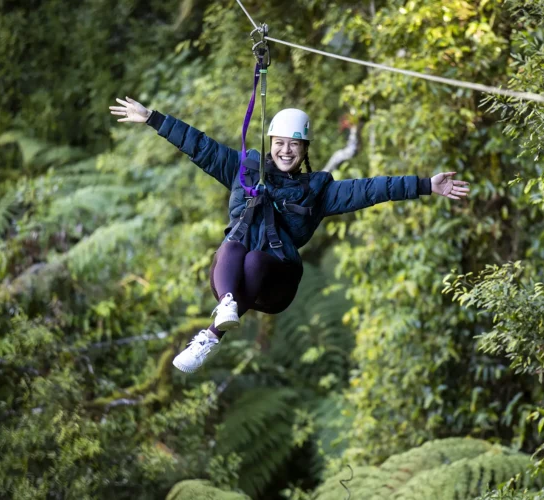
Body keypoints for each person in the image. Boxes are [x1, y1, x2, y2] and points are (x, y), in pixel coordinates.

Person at [109, 97, 470, 373]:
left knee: (254, 257)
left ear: (304, 150)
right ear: (271, 144)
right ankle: (225, 312)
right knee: (235, 245)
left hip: (276, 280)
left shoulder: (318, 190)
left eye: (293, 145)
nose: (285, 150)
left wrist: (425, 185)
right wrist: (153, 118)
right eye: (279, 143)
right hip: (231, 278)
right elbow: (200, 146)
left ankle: (211, 335)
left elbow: (370, 189)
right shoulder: (244, 171)